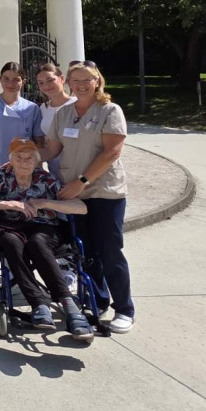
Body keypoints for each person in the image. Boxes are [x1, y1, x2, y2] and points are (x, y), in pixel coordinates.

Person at [41, 61, 134, 334]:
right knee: (86, 251)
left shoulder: (109, 110)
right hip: (73, 193)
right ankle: (98, 302)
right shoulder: (64, 114)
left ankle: (125, 309)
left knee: (109, 251)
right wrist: (25, 159)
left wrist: (81, 182)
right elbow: (52, 150)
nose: (81, 85)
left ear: (97, 81)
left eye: (86, 80)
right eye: (76, 80)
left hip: (104, 193)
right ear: (69, 82)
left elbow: (111, 152)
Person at [0, 137, 94, 341]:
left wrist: (45, 203)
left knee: (37, 243)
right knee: (10, 243)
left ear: (36, 160)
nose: (24, 161)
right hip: (10, 226)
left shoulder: (45, 179)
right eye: (19, 157)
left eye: (29, 157)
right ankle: (39, 304)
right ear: (11, 159)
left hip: (44, 227)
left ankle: (69, 305)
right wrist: (8, 204)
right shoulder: (1, 176)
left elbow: (80, 207)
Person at [35, 62, 75, 179]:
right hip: (55, 170)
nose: (46, 85)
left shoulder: (76, 104)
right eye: (41, 83)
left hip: (78, 170)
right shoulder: (43, 108)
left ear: (62, 79)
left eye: (50, 80)